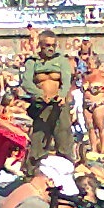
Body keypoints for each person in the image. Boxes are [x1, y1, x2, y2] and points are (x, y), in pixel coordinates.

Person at [20, 28, 75, 171]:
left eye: (53, 45)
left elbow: (66, 80)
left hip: (59, 105)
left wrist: (62, 94)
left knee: (64, 139)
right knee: (38, 141)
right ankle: (32, 172)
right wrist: (39, 94)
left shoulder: (61, 60)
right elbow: (26, 82)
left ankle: (67, 171)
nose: (51, 48)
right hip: (41, 105)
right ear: (40, 45)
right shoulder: (32, 61)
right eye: (47, 45)